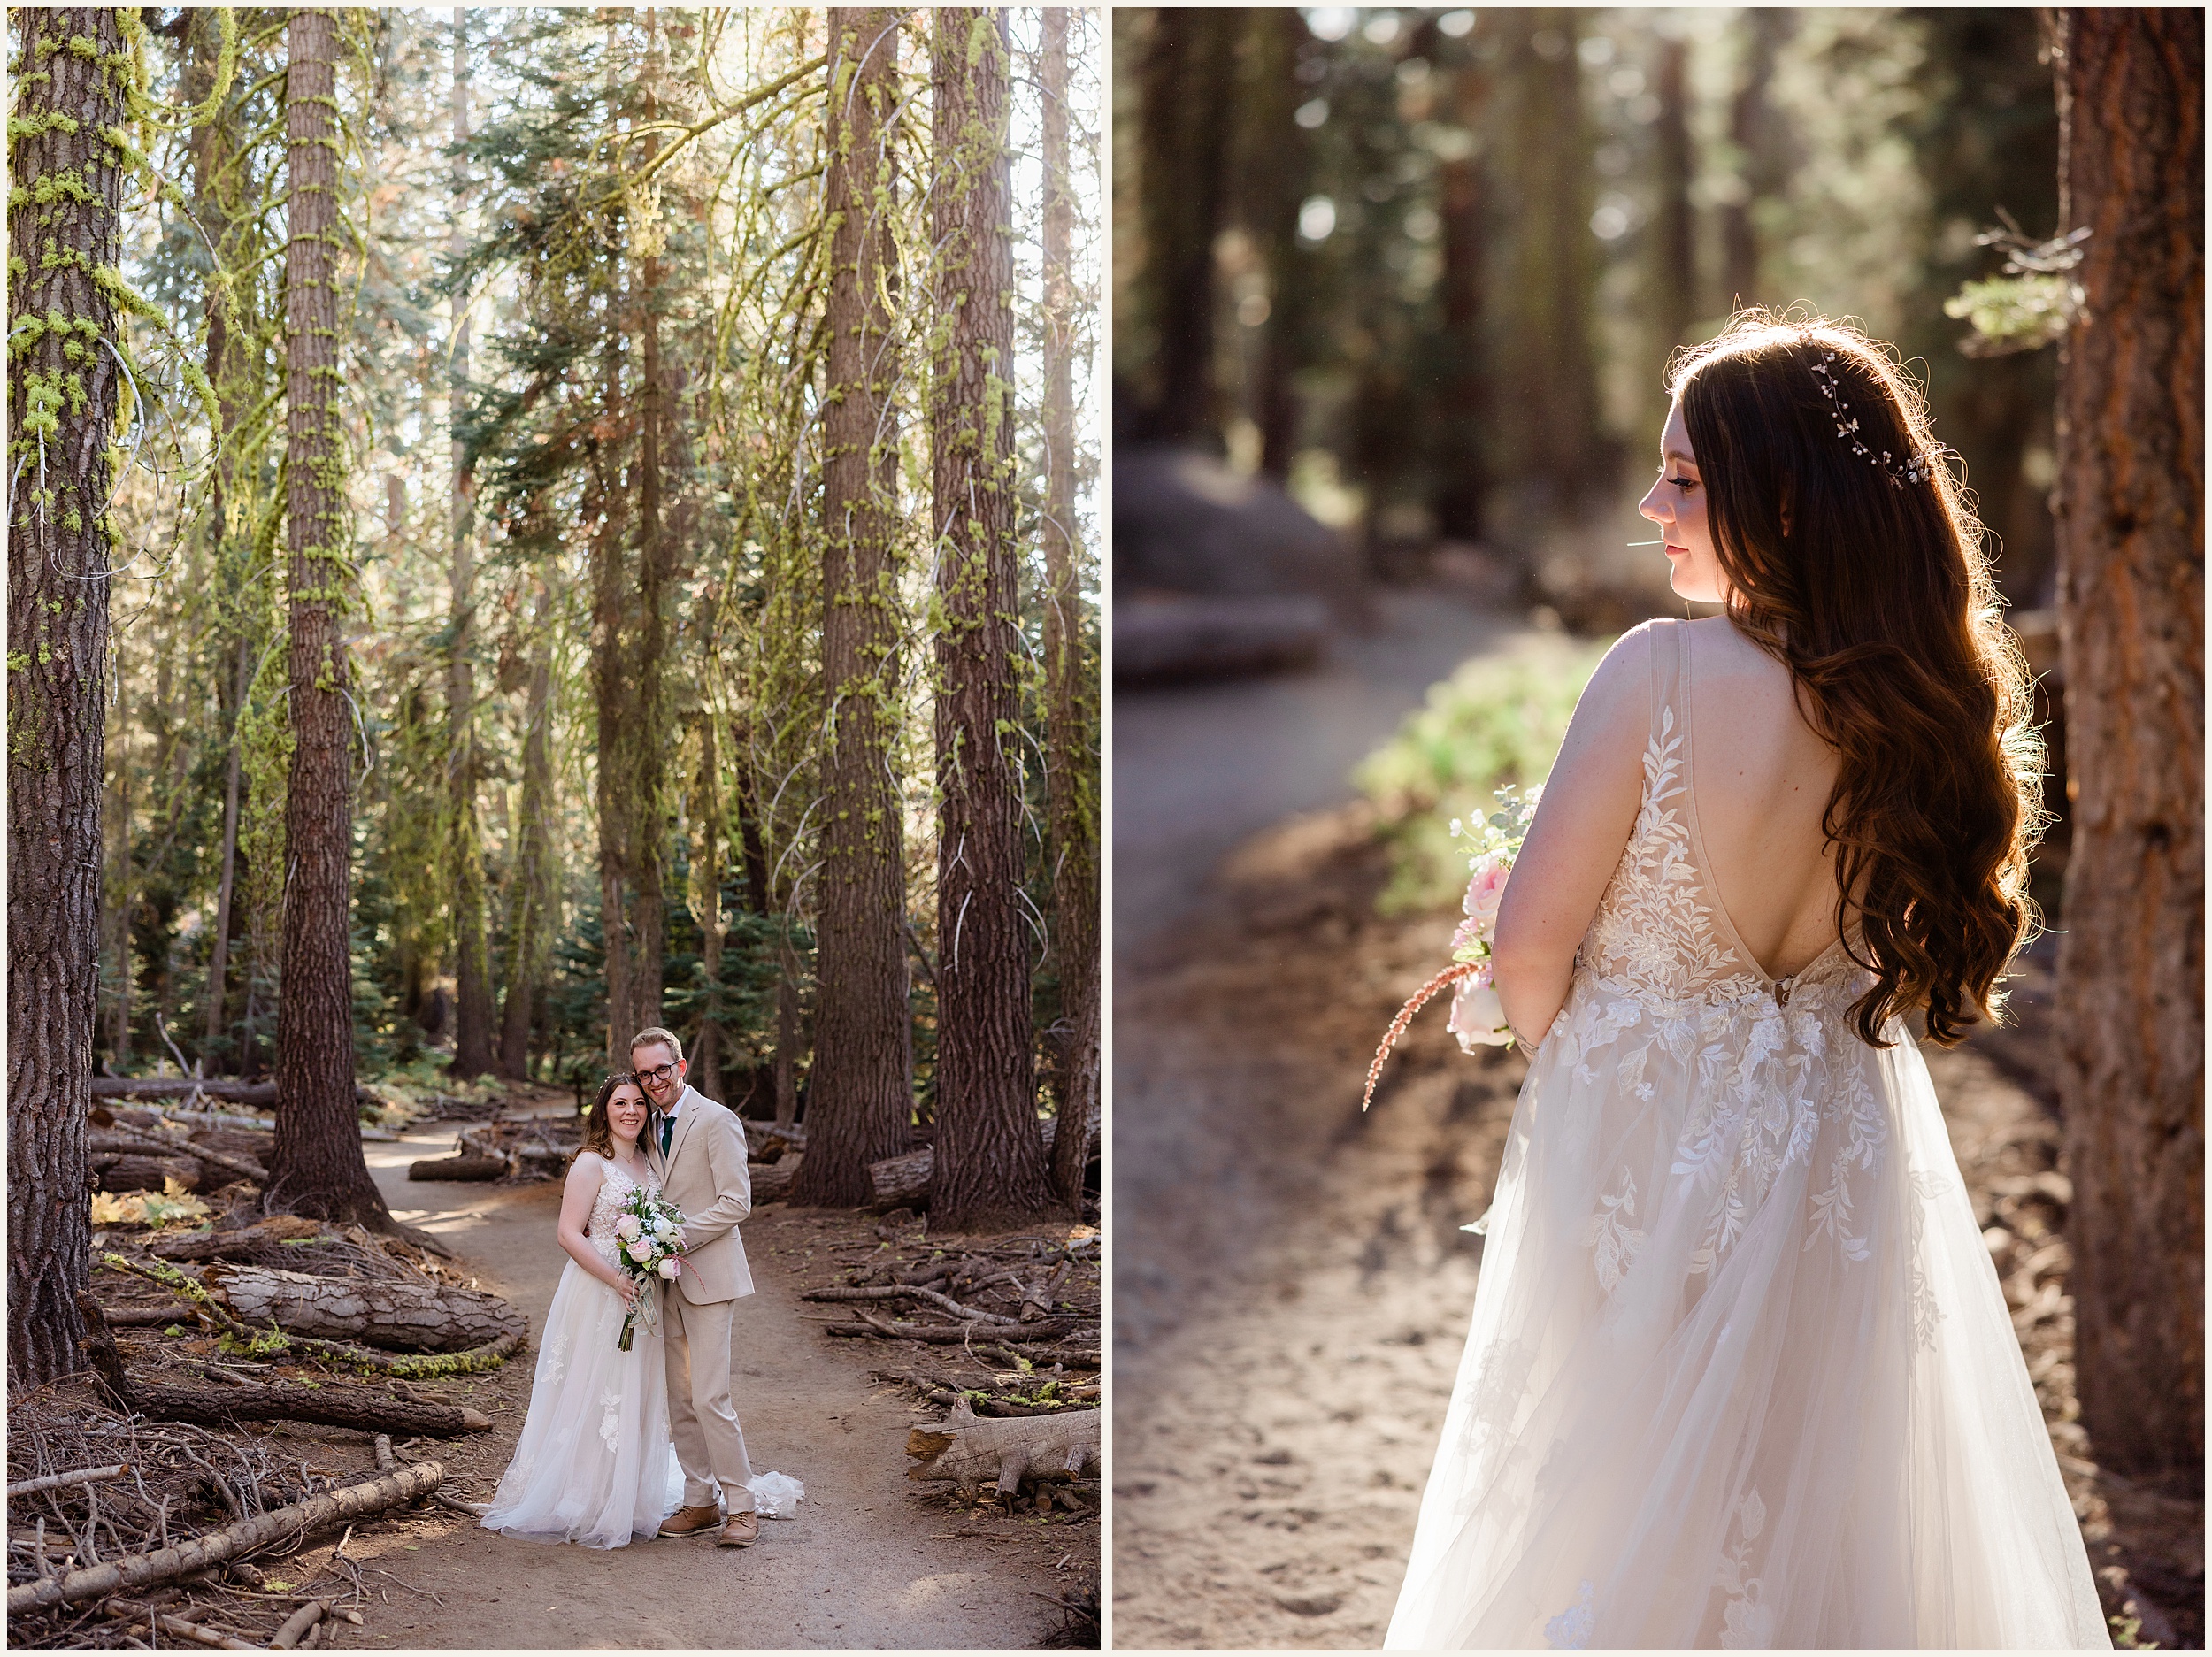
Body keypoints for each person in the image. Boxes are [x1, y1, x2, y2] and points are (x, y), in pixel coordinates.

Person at [1386, 311, 2108, 1649]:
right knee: (1821, 1492)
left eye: (1686, 478)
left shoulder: (1657, 675)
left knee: (1620, 1490)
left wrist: (1622, 1068)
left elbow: (1530, 950)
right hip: (1840, 1147)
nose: (1650, 504)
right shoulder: (1914, 714)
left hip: (1640, 1142)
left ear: (1782, 495)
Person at [480, 1073, 682, 1548]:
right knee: (593, 1387)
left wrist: (653, 1261)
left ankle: (626, 1494)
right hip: (599, 1288)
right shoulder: (592, 1163)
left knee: (632, 1388)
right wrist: (616, 1279)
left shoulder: (652, 1163)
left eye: (638, 1102)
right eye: (620, 1103)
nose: (631, 1111)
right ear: (604, 1110)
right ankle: (584, 1497)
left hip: (642, 1289)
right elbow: (569, 1233)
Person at [632, 1025, 772, 1548]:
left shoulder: (716, 1119)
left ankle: (742, 1507)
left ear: (681, 1066)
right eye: (644, 1074)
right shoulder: (646, 1124)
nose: (654, 1081)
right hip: (662, 1282)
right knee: (680, 1398)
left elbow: (738, 1202)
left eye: (661, 1070)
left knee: (712, 1396)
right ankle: (699, 1500)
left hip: (709, 1276)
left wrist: (673, 1237)